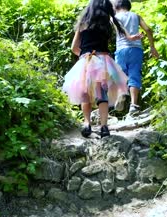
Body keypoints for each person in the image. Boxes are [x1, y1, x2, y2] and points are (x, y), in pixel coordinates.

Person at [63, 0, 141, 138]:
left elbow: (74, 48)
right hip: (104, 61)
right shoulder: (107, 24)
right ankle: (104, 126)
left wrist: (84, 56)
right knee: (102, 93)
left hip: (86, 60)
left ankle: (87, 124)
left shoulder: (82, 24)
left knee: (85, 93)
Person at [114, 0, 159, 115]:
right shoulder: (136, 16)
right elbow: (148, 30)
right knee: (134, 74)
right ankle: (133, 105)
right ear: (129, 6)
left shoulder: (114, 18)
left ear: (117, 6)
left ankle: (121, 93)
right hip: (136, 50)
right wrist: (152, 47)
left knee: (120, 75)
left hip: (121, 49)